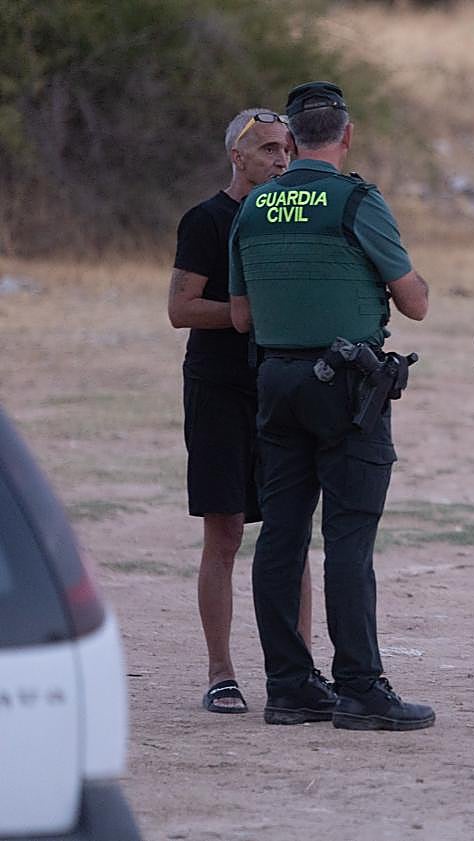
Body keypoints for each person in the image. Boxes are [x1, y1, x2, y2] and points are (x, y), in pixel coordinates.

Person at [229, 80, 435, 732]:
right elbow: (415, 302)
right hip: (347, 387)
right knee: (349, 538)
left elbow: (240, 316)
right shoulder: (356, 200)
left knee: (281, 536)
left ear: (289, 140)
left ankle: (289, 686)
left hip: (276, 381)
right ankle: (361, 688)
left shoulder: (253, 207)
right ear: (346, 135)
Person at [169, 107, 315, 715]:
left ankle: (301, 672)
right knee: (224, 531)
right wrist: (242, 314)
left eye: (287, 150)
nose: (281, 161)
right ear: (238, 156)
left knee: (291, 532)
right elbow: (180, 309)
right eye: (268, 150)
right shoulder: (207, 219)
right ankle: (221, 673)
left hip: (280, 388)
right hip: (219, 390)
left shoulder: (294, 216)